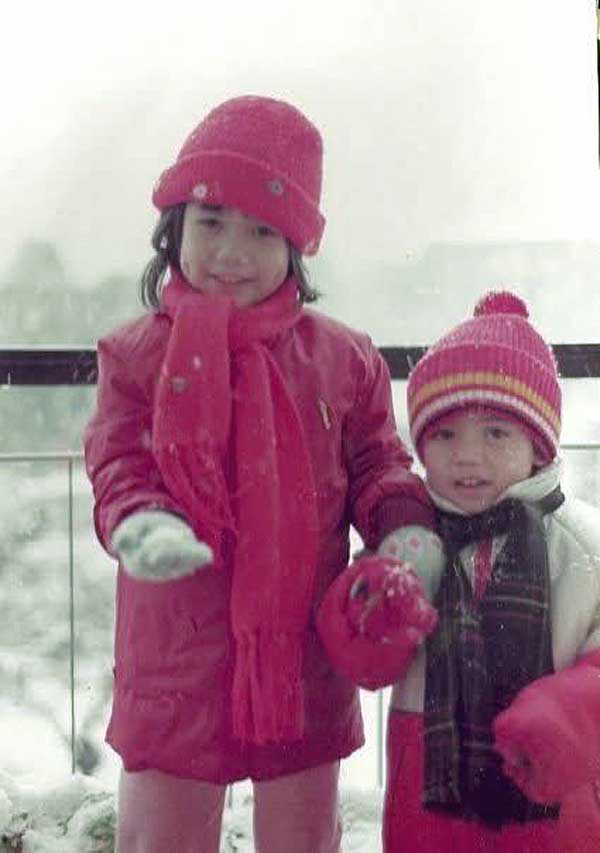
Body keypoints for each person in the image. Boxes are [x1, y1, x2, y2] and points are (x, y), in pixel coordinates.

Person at [83, 94, 438, 853]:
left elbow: (379, 459)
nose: (231, 251)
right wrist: (139, 521)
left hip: (303, 650)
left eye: (262, 230)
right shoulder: (133, 355)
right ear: (173, 226)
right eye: (211, 222)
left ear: (296, 248)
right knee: (161, 838)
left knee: (303, 836)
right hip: (174, 649)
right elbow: (117, 460)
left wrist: (403, 530)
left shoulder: (345, 358)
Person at [317, 290, 600, 852]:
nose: (466, 456)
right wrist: (371, 612)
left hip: (551, 799)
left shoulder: (582, 546)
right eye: (445, 434)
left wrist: (563, 715)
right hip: (428, 792)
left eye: (495, 432)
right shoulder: (411, 540)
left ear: (538, 447)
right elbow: (362, 663)